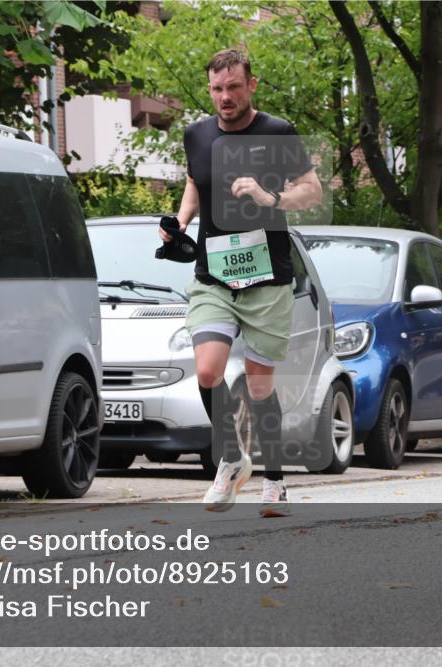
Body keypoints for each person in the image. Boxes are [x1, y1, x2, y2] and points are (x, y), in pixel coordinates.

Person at [159, 48, 323, 517]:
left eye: (234, 87)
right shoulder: (198, 134)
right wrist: (181, 219)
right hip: (214, 274)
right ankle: (231, 457)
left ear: (251, 85)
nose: (225, 97)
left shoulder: (277, 132)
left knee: (258, 387)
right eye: (217, 88)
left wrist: (267, 195)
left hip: (267, 277)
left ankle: (274, 480)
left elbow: (312, 191)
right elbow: (195, 181)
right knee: (208, 371)